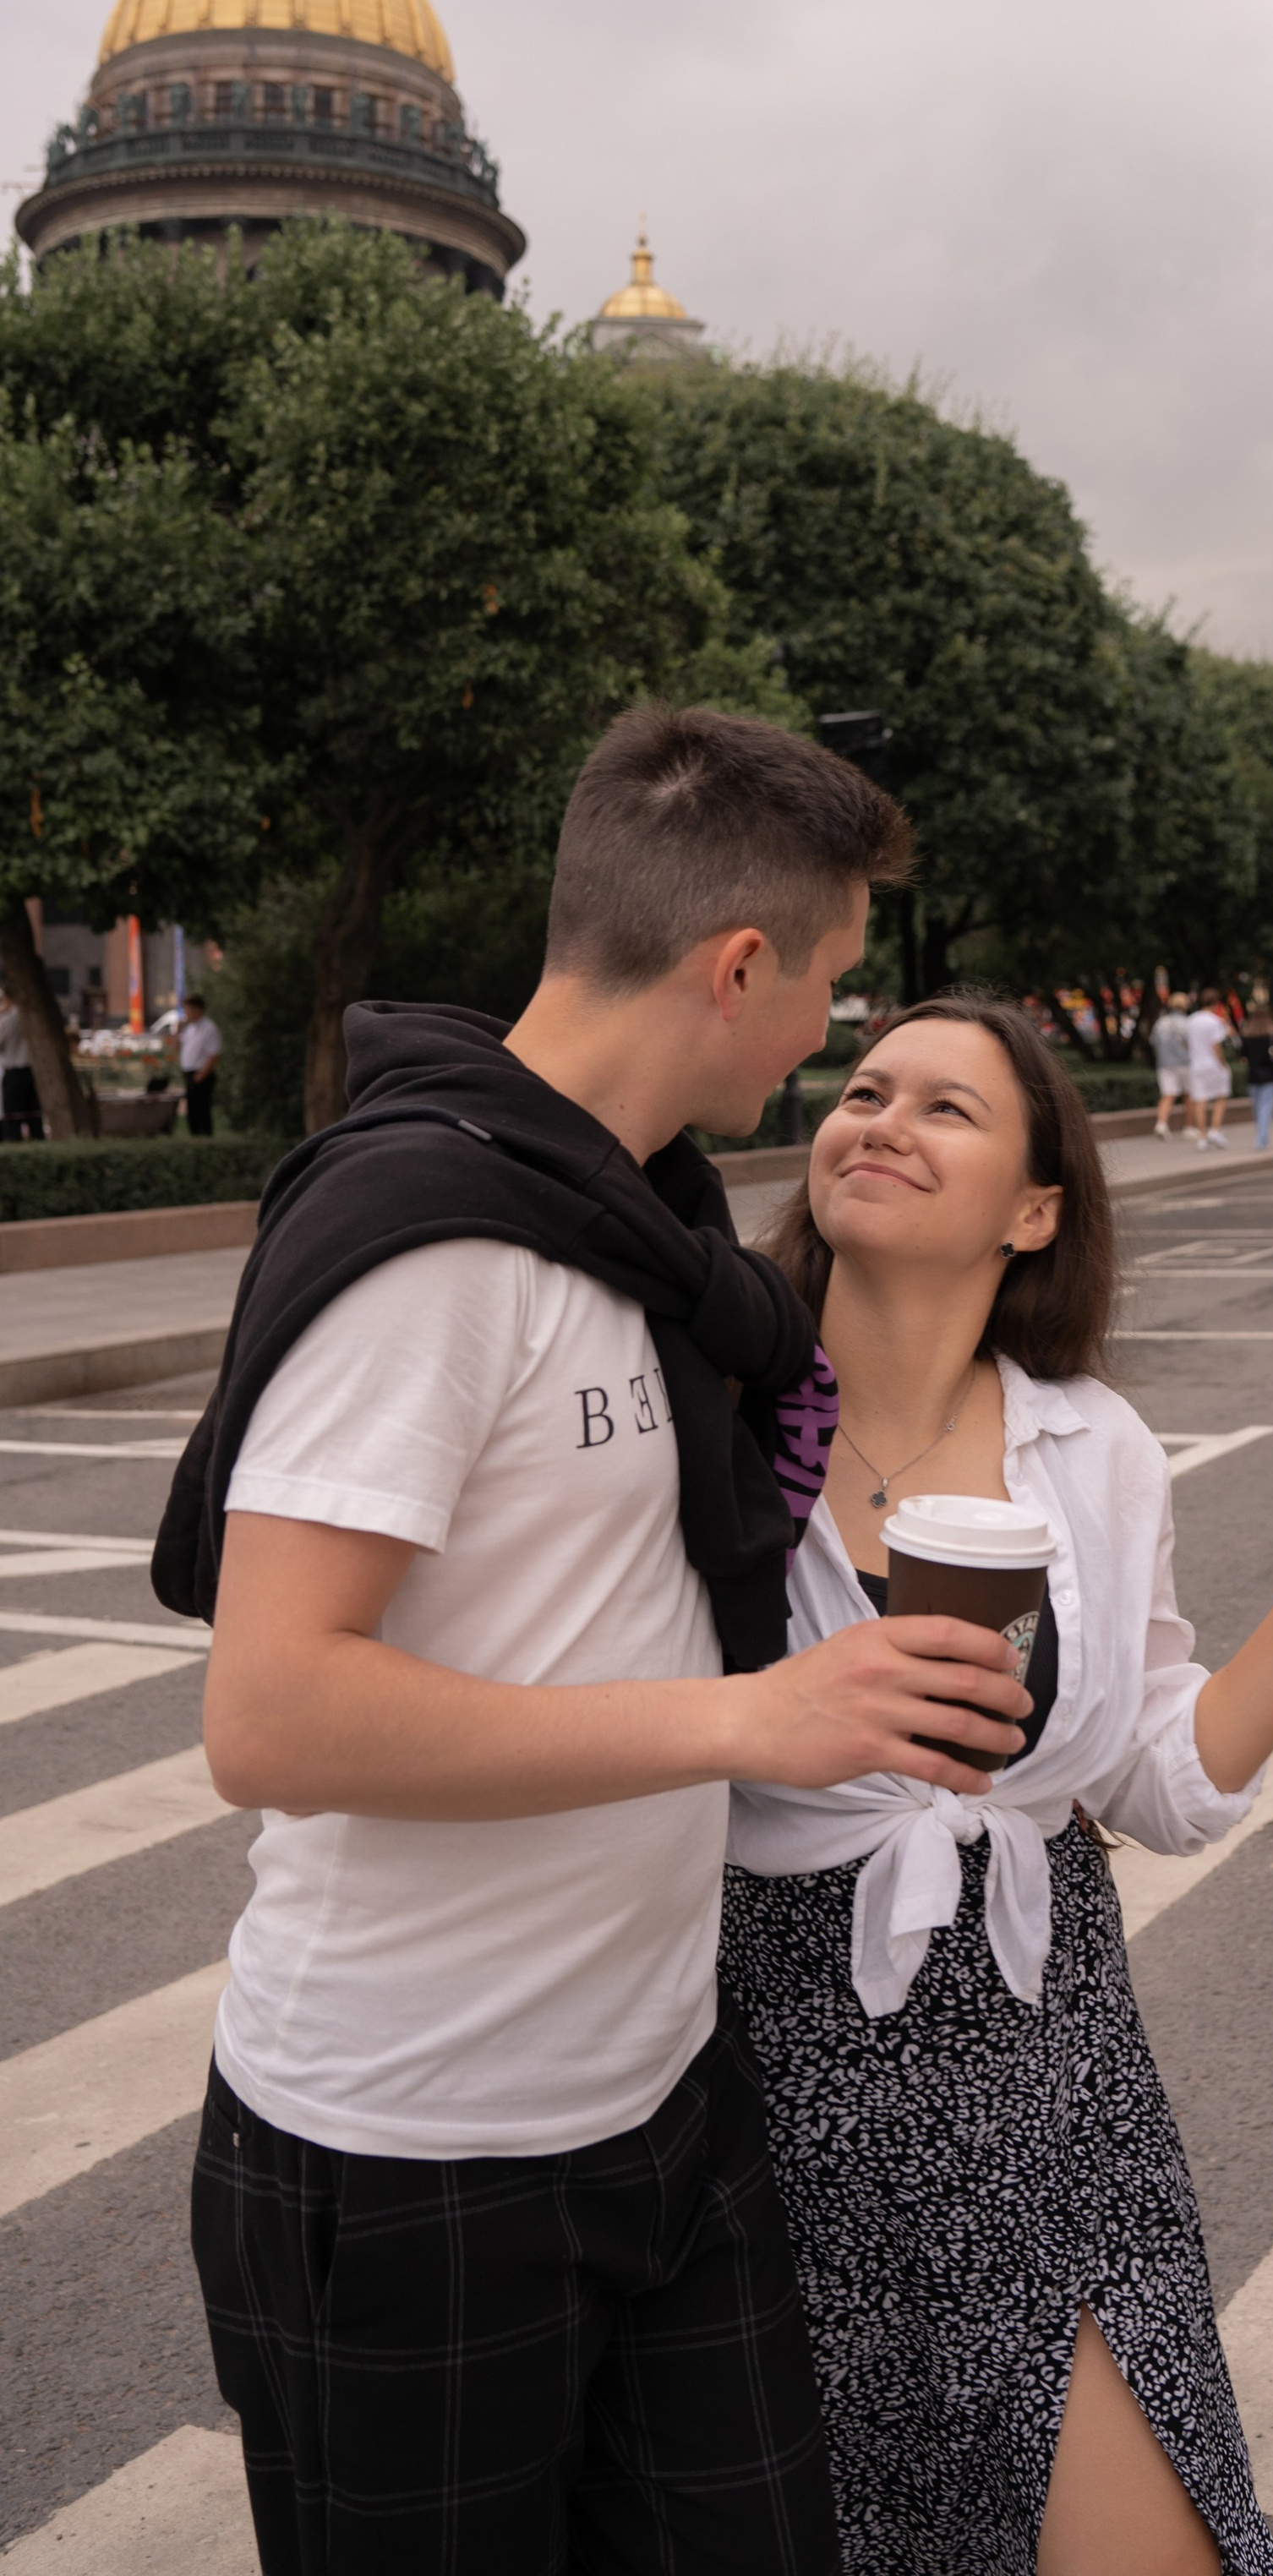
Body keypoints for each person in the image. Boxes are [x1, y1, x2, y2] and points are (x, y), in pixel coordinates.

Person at [168, 707, 1045, 2576]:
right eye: (824, 984)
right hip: (409, 2159)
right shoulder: (436, 1245)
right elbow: (274, 1710)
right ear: (738, 966)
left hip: (657, 2095)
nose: (827, 1034)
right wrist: (750, 1718)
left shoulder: (642, 1221)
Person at [723, 992, 1273, 2576]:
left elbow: (1160, 1780)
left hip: (1046, 2070)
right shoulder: (716, 1424)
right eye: (864, 1089)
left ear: (1035, 1210)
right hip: (764, 2063)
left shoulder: (1090, 1444)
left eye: (945, 1108)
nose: (879, 1119)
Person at [1186, 985, 1233, 1148]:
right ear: (1216, 1002)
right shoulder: (1215, 1021)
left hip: (1196, 1065)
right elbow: (1216, 1046)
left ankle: (1202, 1137)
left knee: (1200, 1101)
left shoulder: (1191, 1020)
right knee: (1220, 1097)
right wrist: (1222, 1063)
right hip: (1213, 1065)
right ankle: (1215, 1130)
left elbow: (1188, 1044)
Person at [177, 990, 222, 1136]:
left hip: (201, 1074)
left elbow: (213, 1054)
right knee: (193, 1112)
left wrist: (201, 1075)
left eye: (188, 1010)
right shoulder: (190, 1029)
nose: (186, 1013)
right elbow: (179, 1048)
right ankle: (195, 1137)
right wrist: (177, 1031)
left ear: (197, 1009)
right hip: (189, 1073)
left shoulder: (209, 1028)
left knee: (202, 1110)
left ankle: (205, 1138)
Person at [0, 996, 44, 1143]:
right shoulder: (34, 1014)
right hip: (32, 1073)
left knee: (13, 1120)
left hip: (14, 1075)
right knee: (34, 1119)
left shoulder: (10, 1017)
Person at [1240, 995, 1273, 1149]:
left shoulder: (1248, 1035)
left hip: (1253, 1075)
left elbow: (1243, 1056)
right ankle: (1261, 1137)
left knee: (1257, 1107)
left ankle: (1261, 1136)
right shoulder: (1271, 1035)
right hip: (1269, 1074)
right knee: (1266, 1107)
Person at [1151, 992, 1191, 1141]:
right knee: (1189, 1096)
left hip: (1165, 1064)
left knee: (1168, 1094)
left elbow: (1153, 1042)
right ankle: (1189, 1127)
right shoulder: (1188, 1023)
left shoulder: (1161, 1023)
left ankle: (1161, 1124)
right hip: (1186, 1063)